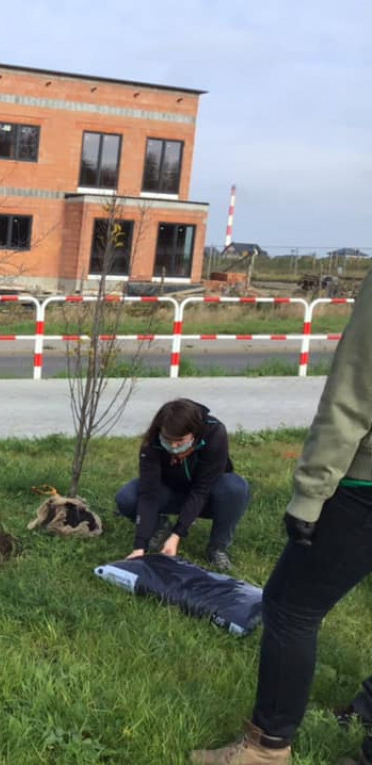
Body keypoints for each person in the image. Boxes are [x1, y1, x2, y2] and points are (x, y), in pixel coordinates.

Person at [190, 276, 372, 765]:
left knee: (291, 607)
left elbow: (354, 392)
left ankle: (265, 748)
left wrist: (312, 493)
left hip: (365, 485)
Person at [116, 399, 249, 571]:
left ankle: (218, 548)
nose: (173, 446)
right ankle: (160, 527)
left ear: (194, 434)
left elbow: (201, 490)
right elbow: (148, 494)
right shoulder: (152, 441)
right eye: (168, 440)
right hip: (170, 492)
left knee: (235, 488)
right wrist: (139, 546)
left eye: (179, 441)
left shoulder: (215, 433)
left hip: (208, 496)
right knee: (127, 497)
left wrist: (178, 534)